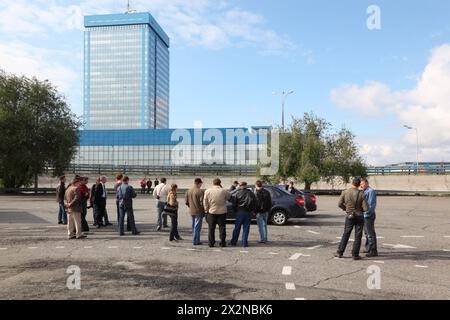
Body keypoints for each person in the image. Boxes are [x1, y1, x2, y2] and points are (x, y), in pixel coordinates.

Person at [335, 177, 369, 260]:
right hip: (359, 216)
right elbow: (366, 208)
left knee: (346, 234)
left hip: (349, 215)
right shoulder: (361, 193)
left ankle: (340, 252)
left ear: (352, 183)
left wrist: (346, 209)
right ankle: (355, 254)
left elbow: (339, 204)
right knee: (358, 235)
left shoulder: (345, 192)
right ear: (359, 185)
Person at [203, 178, 231, 248]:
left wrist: (206, 210)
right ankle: (222, 242)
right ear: (220, 183)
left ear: (213, 183)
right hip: (222, 212)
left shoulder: (208, 191)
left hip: (211, 212)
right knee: (222, 228)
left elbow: (205, 202)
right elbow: (229, 197)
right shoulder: (223, 191)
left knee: (211, 228)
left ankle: (211, 243)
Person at [229, 182, 257, 247]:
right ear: (246, 186)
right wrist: (253, 211)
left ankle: (233, 242)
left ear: (240, 186)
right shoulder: (251, 193)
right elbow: (255, 203)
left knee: (237, 228)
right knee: (246, 228)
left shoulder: (237, 193)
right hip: (248, 212)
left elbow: (234, 203)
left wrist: (235, 211)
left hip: (239, 212)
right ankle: (244, 243)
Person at [361, 178, 378, 257]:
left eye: (362, 184)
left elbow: (371, 205)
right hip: (364, 215)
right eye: (360, 184)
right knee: (366, 233)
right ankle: (368, 248)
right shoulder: (364, 191)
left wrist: (366, 214)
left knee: (370, 233)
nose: (361, 185)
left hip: (368, 215)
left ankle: (373, 250)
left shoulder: (370, 191)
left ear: (367, 183)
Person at [185, 178, 205, 246]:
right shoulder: (200, 191)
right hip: (199, 211)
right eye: (201, 183)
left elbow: (186, 202)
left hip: (191, 211)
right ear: (199, 183)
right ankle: (195, 241)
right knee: (197, 227)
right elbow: (202, 203)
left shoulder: (188, 191)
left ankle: (196, 240)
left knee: (194, 226)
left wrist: (190, 207)